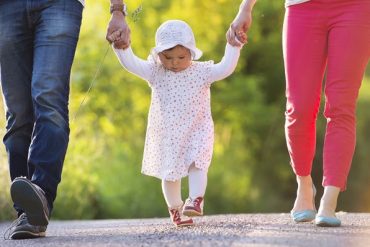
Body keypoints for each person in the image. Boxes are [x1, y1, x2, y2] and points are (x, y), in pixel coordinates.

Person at [228, 0, 370, 227]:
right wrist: (245, 8)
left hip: (355, 8)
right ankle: (304, 184)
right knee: (299, 108)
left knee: (341, 106)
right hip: (302, 7)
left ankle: (329, 201)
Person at [107, 19, 245, 227]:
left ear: (191, 51)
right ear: (158, 55)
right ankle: (175, 210)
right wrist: (121, 49)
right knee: (170, 173)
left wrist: (233, 46)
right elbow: (132, 64)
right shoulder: (155, 71)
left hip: (197, 129)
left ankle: (196, 199)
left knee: (198, 162)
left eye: (181, 57)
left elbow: (226, 68)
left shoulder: (201, 72)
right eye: (167, 57)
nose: (174, 62)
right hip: (168, 134)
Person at [0, 0, 84, 239]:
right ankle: (27, 212)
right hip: (6, 7)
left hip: (60, 5)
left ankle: (41, 195)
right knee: (17, 113)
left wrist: (117, 8)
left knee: (48, 98)